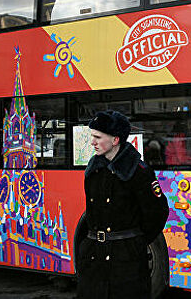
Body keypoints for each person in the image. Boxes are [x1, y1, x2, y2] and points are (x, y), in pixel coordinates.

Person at [77, 110, 169, 299]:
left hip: (127, 264)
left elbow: (157, 213)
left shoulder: (139, 172)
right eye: (91, 136)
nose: (92, 142)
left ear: (115, 140)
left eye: (97, 137)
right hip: (94, 261)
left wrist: (134, 243)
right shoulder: (93, 170)